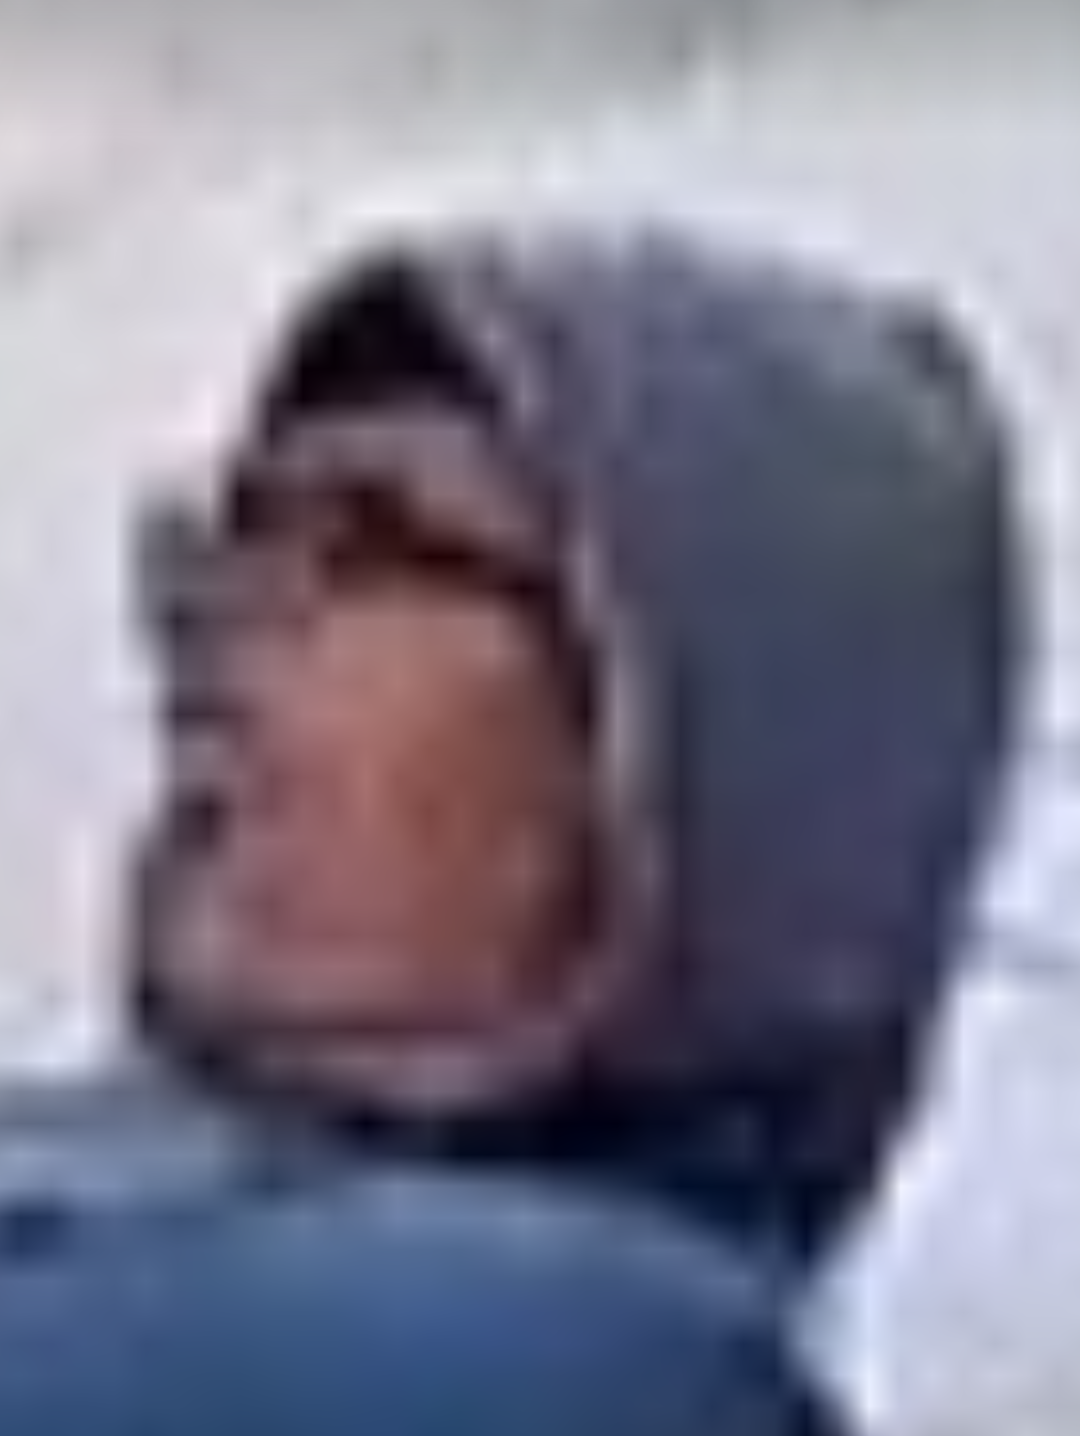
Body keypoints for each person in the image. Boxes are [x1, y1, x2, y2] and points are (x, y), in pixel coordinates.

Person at [0, 226, 1015, 1433]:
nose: (211, 624)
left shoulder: (565, 1364)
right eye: (226, 542)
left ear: (677, 721)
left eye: (364, 545)